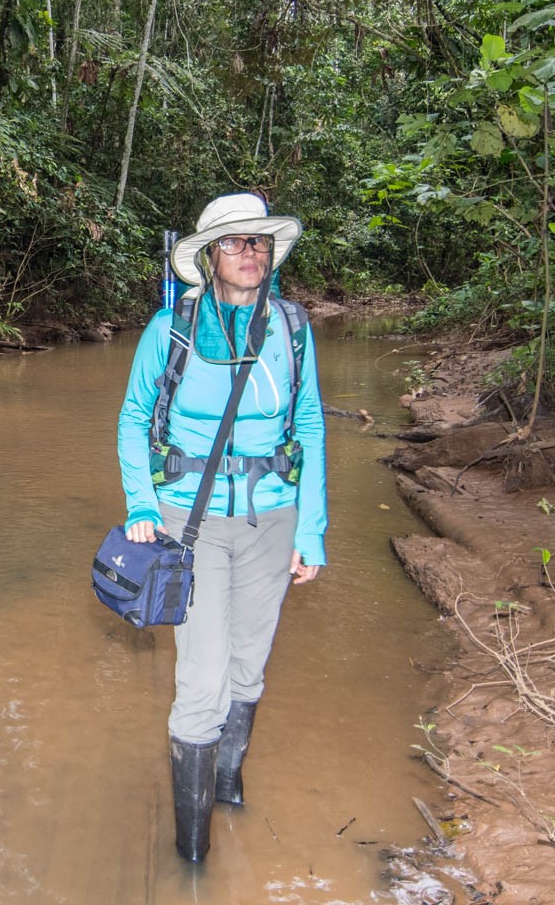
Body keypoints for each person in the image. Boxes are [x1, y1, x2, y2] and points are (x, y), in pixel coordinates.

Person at [115, 192, 327, 864]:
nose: (250, 253)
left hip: (272, 518)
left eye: (259, 243)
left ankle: (228, 788)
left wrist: (312, 529)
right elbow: (131, 417)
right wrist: (143, 506)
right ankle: (195, 857)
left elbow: (311, 424)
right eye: (234, 243)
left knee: (248, 666)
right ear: (208, 257)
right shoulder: (169, 329)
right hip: (190, 519)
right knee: (202, 679)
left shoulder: (292, 328)